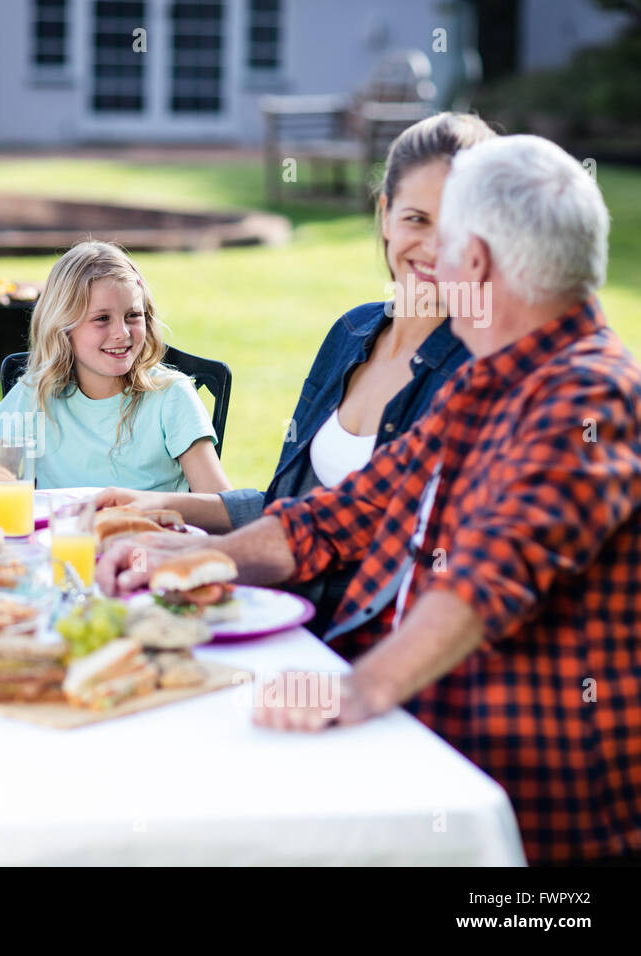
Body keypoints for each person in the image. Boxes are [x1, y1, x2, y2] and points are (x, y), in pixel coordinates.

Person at [98, 135, 641, 866]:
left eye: (445, 243)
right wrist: (197, 558)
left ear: (473, 262)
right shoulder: (494, 379)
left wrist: (354, 693)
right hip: (413, 750)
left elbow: (488, 578)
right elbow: (340, 513)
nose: (430, 266)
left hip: (519, 822)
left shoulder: (588, 392)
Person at [97, 113, 495, 636]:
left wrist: (205, 552)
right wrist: (164, 505)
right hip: (266, 615)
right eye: (416, 219)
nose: (433, 247)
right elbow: (291, 506)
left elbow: (376, 528)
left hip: (356, 648)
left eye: (455, 226)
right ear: (385, 215)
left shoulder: (479, 373)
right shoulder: (352, 333)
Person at [0, 240, 230, 493]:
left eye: (133, 316)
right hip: (58, 533)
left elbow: (220, 503)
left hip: (150, 530)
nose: (121, 332)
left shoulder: (171, 397)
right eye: (102, 319)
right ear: (63, 328)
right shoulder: (34, 394)